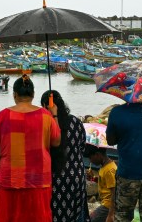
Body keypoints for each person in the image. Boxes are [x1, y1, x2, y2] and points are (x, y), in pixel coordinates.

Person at [0, 74, 61, 222]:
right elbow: (56, 142)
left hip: (11, 178)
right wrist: (54, 115)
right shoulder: (46, 115)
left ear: (14, 94)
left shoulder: (2, 116)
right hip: (39, 178)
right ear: (33, 94)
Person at [40, 90, 91, 222]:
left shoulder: (46, 125)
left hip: (56, 178)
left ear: (46, 107)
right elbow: (82, 147)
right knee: (76, 214)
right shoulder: (76, 122)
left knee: (57, 215)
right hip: (77, 177)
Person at [84, 145, 117, 222]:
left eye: (90, 157)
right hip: (105, 204)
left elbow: (115, 191)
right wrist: (93, 178)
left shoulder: (109, 170)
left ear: (98, 155)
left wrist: (111, 214)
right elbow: (105, 183)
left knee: (90, 219)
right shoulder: (104, 166)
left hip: (108, 206)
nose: (90, 161)